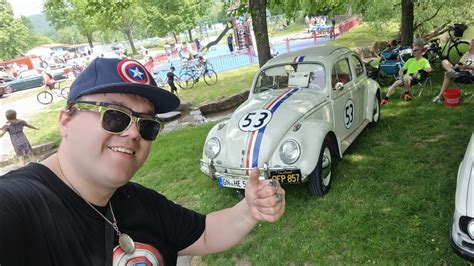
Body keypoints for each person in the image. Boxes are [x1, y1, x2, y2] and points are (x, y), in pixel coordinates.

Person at [0, 58, 285, 265]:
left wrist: (249, 209)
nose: (134, 132)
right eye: (115, 115)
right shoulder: (17, 205)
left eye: (147, 124)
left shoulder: (138, 202)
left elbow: (207, 233)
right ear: (66, 120)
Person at [432, 39, 474, 103]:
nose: (469, 46)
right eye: (470, 44)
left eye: (471, 44)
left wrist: (466, 67)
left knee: (448, 74)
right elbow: (460, 63)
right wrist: (457, 66)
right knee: (444, 60)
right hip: (460, 70)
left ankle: (439, 96)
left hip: (468, 75)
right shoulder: (467, 54)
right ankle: (451, 70)